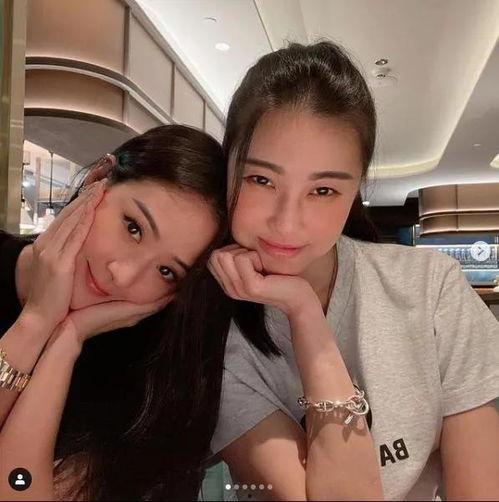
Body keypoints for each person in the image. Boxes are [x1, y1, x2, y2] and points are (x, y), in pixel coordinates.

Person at [207, 41, 499, 500]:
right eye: (261, 179)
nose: (287, 222)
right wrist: (304, 312)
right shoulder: (210, 333)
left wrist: (303, 309)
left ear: (355, 191)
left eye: (323, 190)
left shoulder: (431, 289)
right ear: (227, 171)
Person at [0, 125, 231, 501]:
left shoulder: (149, 387)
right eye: (133, 228)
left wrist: (66, 341)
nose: (122, 275)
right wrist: (36, 323)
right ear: (97, 180)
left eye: (166, 271)